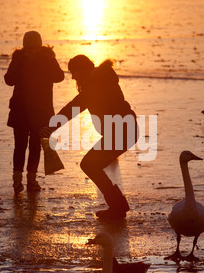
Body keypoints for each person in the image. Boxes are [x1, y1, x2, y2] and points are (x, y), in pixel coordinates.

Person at [41, 55, 138, 220]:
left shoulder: (96, 86)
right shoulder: (99, 81)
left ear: (82, 70)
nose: (72, 77)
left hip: (122, 131)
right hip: (124, 130)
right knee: (91, 165)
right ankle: (118, 206)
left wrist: (51, 127)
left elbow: (74, 107)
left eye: (74, 72)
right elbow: (75, 106)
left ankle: (118, 206)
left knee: (89, 165)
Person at [4, 31, 64, 194]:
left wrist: (42, 59)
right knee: (21, 146)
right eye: (29, 47)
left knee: (35, 146)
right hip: (22, 110)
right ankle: (18, 182)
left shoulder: (46, 57)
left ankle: (31, 180)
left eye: (33, 46)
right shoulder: (19, 58)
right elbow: (9, 80)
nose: (31, 49)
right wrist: (22, 61)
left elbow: (59, 77)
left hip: (38, 110)